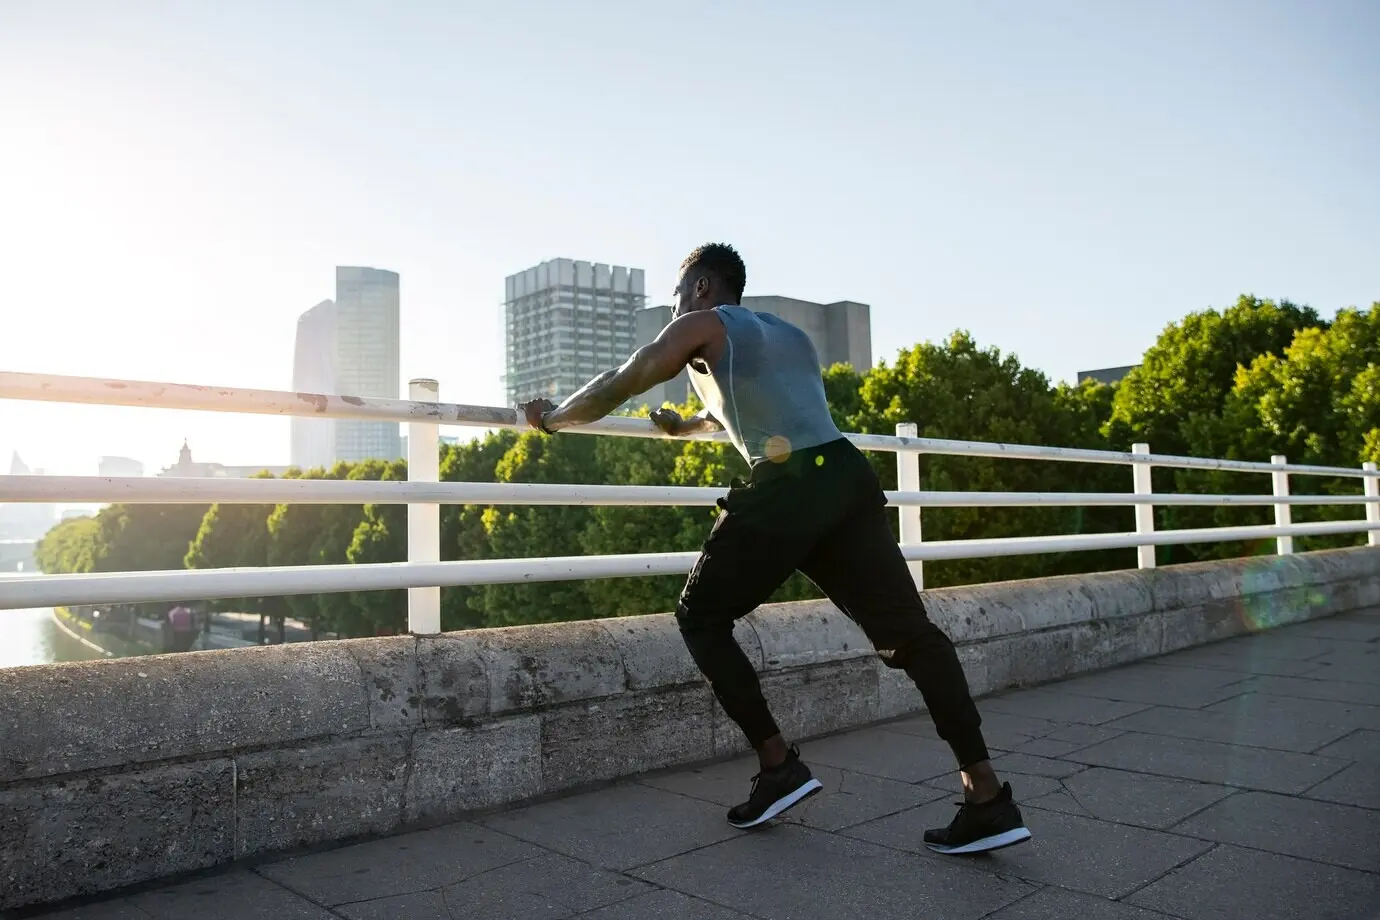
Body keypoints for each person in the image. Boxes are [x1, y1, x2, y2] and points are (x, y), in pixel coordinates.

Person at [519, 243, 1031, 854]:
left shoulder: (701, 326)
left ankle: (778, 764)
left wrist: (552, 418)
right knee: (912, 636)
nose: (675, 308)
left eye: (678, 294)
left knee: (700, 617)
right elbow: (760, 410)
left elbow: (627, 377)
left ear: (702, 287)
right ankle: (986, 796)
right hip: (845, 475)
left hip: (789, 487)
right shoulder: (787, 336)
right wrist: (686, 427)